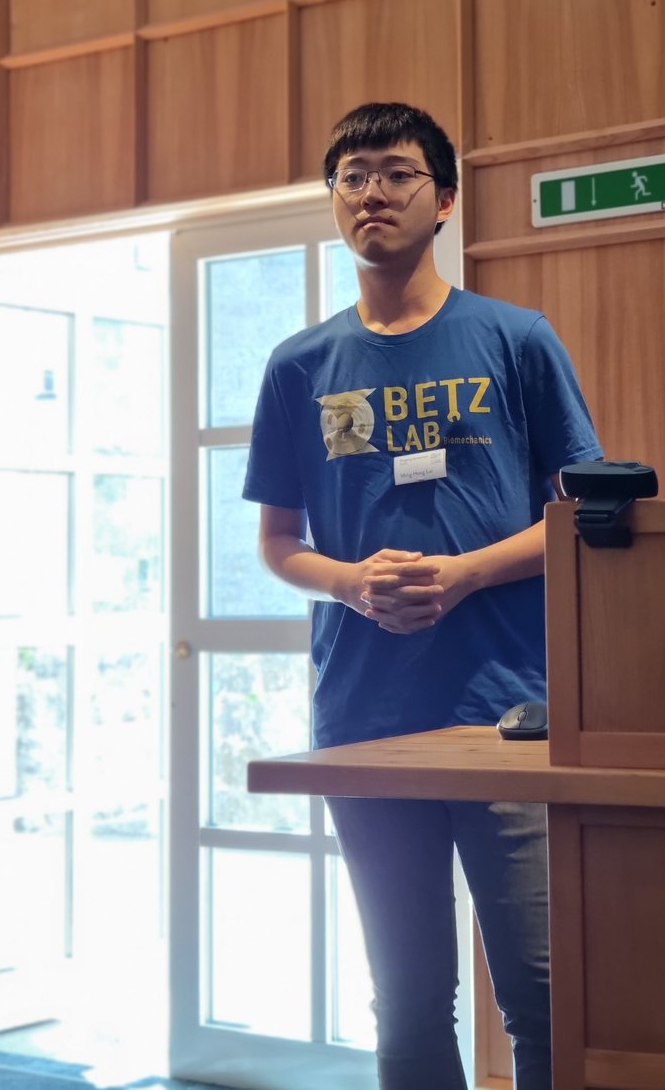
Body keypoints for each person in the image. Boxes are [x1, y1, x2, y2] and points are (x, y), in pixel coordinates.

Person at [243, 102, 601, 1090]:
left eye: (397, 173)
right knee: (403, 1002)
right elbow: (278, 546)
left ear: (441, 200)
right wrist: (351, 585)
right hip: (363, 716)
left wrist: (466, 573)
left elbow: (579, 516)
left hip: (508, 715)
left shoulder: (514, 339)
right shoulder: (298, 366)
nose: (372, 192)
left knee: (540, 994)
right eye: (352, 175)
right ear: (332, 201)